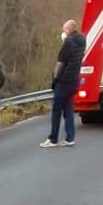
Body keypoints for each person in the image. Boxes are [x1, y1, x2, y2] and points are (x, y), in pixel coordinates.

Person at [40, 20, 86, 148]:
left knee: (56, 111)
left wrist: (55, 80)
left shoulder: (68, 43)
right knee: (68, 111)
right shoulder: (81, 42)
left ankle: (53, 139)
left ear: (69, 30)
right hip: (73, 82)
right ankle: (70, 138)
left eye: (64, 29)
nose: (63, 32)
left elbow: (60, 64)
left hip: (64, 82)